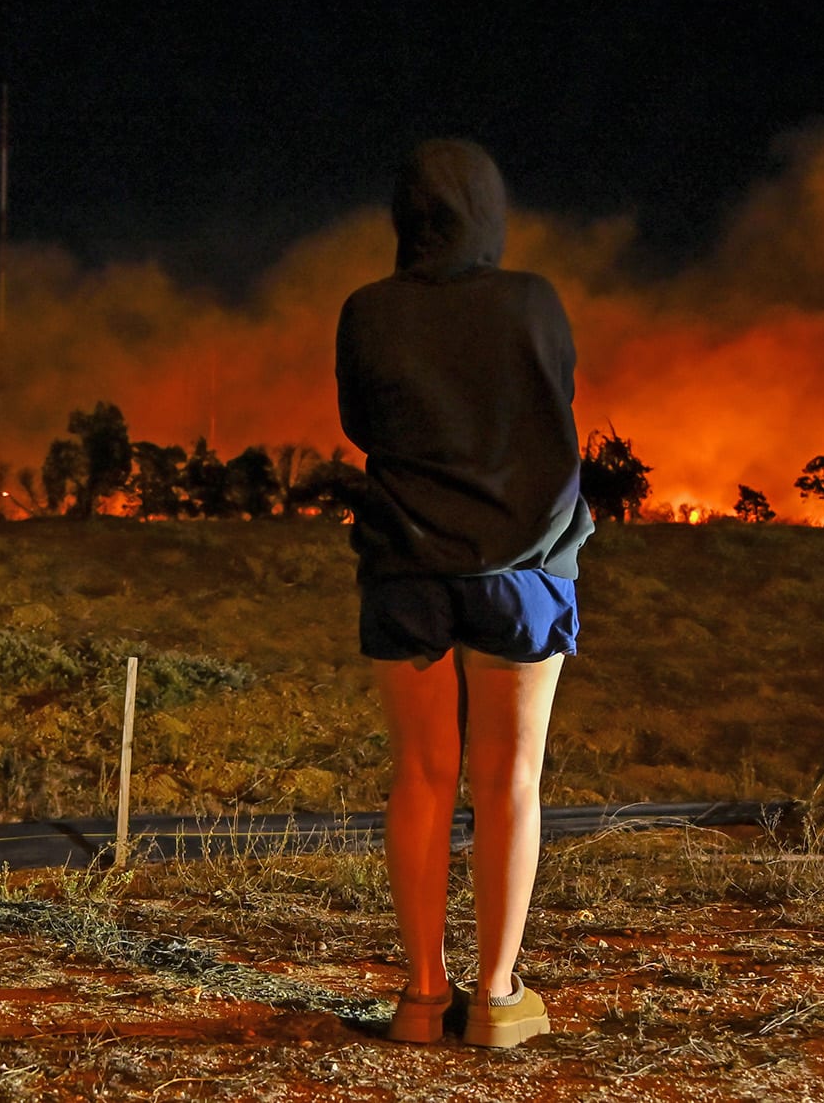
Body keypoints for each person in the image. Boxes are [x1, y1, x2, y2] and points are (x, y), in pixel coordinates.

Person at [336, 139, 595, 1049]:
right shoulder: (532, 301)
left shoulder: (367, 312)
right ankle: (495, 997)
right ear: (490, 210)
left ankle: (418, 995)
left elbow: (360, 425)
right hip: (522, 569)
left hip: (406, 565)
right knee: (509, 780)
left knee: (420, 777)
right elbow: (555, 408)